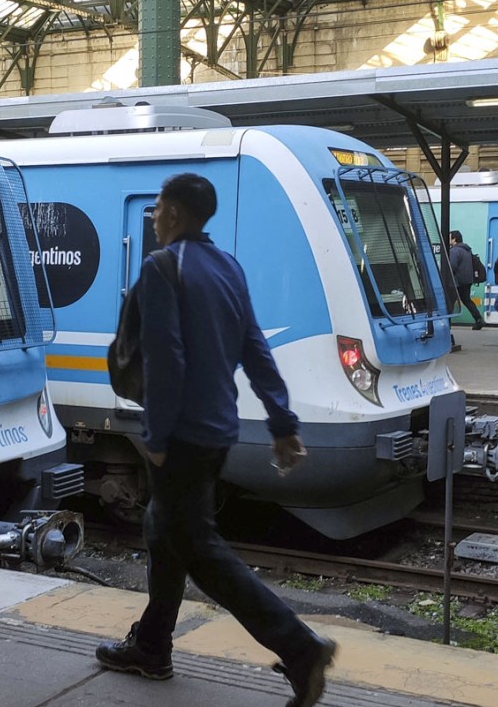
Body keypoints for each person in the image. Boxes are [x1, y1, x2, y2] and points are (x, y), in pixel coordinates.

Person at [95, 173, 336, 707]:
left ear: (175, 215)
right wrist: (282, 424)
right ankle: (153, 646)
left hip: (179, 434)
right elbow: (255, 348)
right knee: (164, 528)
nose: (154, 217)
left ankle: (300, 649)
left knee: (198, 549)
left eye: (158, 209)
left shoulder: (163, 268)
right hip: (218, 429)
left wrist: (155, 436)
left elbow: (166, 359)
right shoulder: (229, 266)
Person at [447, 230, 485, 330]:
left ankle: (446, 323)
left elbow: (452, 266)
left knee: (449, 302)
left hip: (456, 282)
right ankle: (479, 319)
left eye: (449, 237)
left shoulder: (454, 251)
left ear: (454, 239)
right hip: (467, 280)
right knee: (467, 300)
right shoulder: (467, 250)